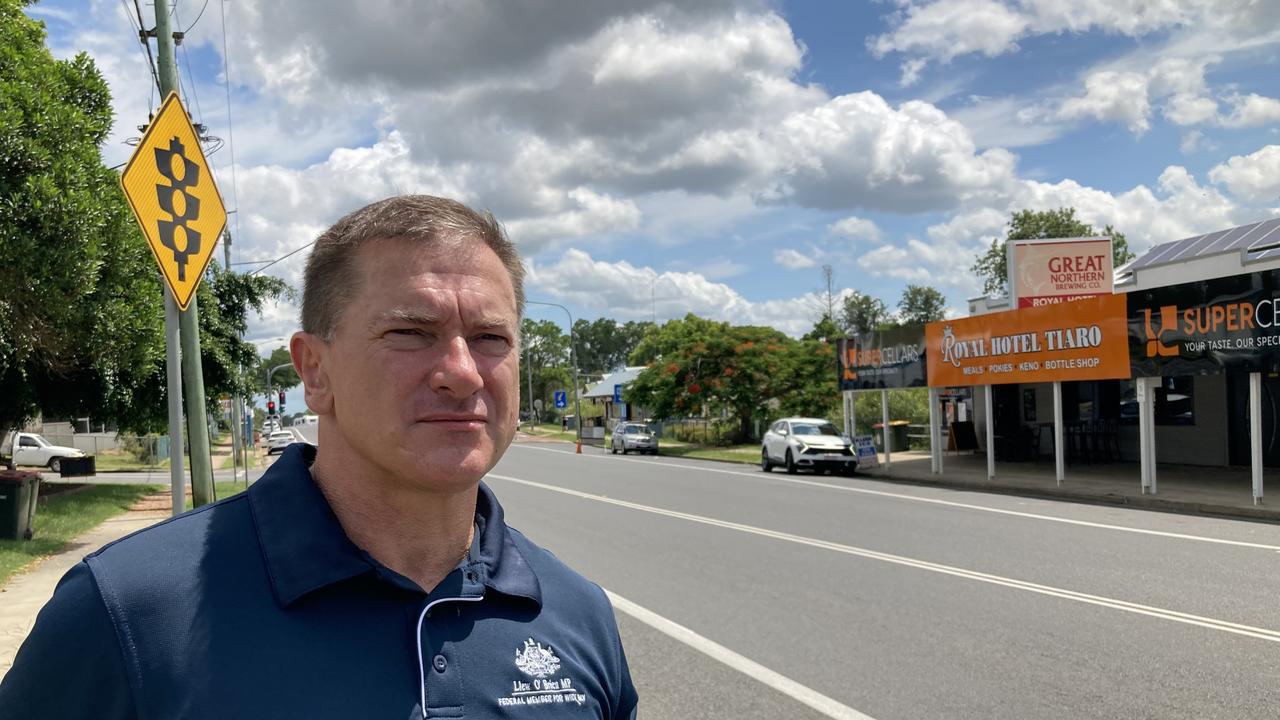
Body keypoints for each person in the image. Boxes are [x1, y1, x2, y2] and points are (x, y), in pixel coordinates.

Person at [0, 195, 638, 719]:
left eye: (491, 337)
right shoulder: (125, 612)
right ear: (314, 369)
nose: (462, 373)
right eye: (410, 333)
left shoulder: (575, 613)